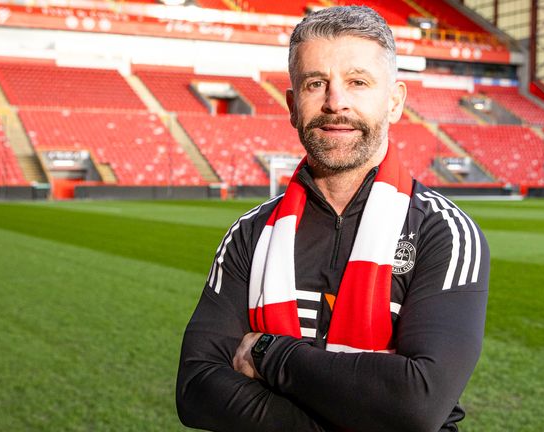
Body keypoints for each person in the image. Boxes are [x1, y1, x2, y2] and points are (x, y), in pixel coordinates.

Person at [176, 6, 489, 431]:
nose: (335, 102)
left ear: (394, 101)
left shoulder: (444, 233)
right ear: (293, 105)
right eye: (315, 83)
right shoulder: (250, 234)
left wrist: (269, 353)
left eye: (358, 82)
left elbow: (418, 403)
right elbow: (196, 389)